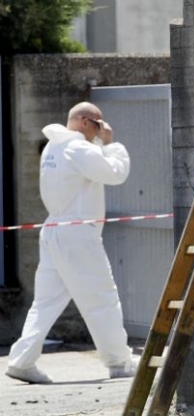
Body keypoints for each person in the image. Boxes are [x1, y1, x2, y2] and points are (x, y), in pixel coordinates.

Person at [5, 102, 137, 384]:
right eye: (99, 124)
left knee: (45, 302)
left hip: (55, 229)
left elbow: (89, 169)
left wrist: (99, 145)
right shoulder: (78, 148)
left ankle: (22, 360)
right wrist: (111, 144)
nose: (100, 131)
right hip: (77, 234)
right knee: (102, 297)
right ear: (87, 122)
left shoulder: (54, 147)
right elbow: (115, 172)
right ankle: (119, 362)